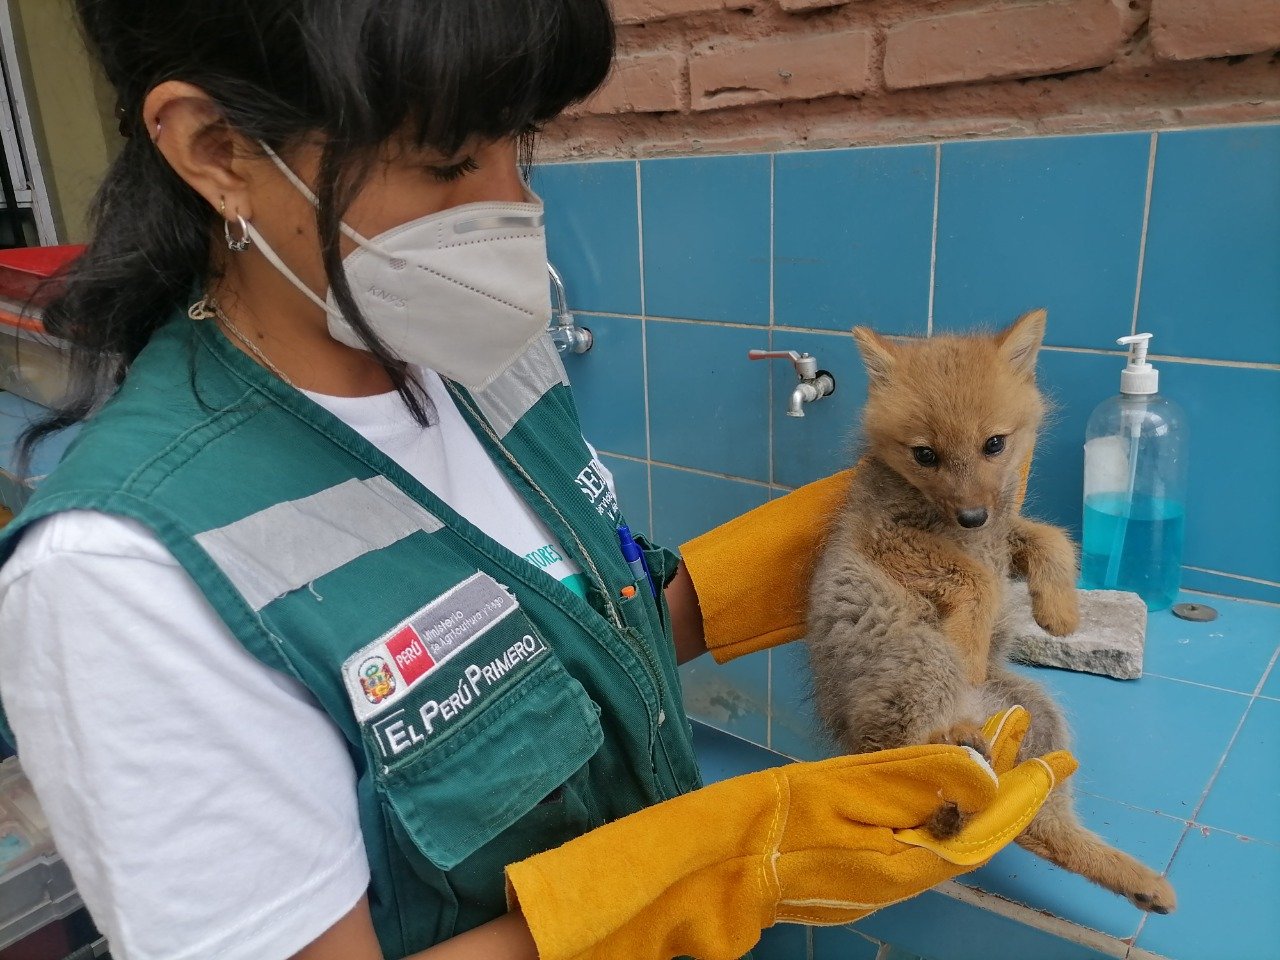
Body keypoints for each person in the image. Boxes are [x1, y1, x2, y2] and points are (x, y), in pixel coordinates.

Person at [0, 2, 1075, 959]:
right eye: (446, 159)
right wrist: (717, 873)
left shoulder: (478, 359)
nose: (513, 207)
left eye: (521, 141)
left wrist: (839, 545)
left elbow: (569, 640)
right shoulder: (122, 580)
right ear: (217, 148)